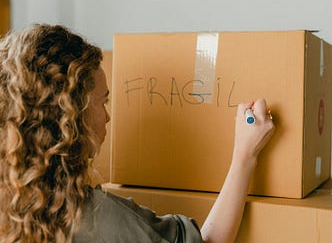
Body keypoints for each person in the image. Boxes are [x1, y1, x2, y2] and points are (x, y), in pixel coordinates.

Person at [0, 24, 275, 243]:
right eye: (103, 101)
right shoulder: (94, 218)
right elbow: (209, 241)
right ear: (71, 115)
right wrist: (245, 154)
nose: (108, 116)